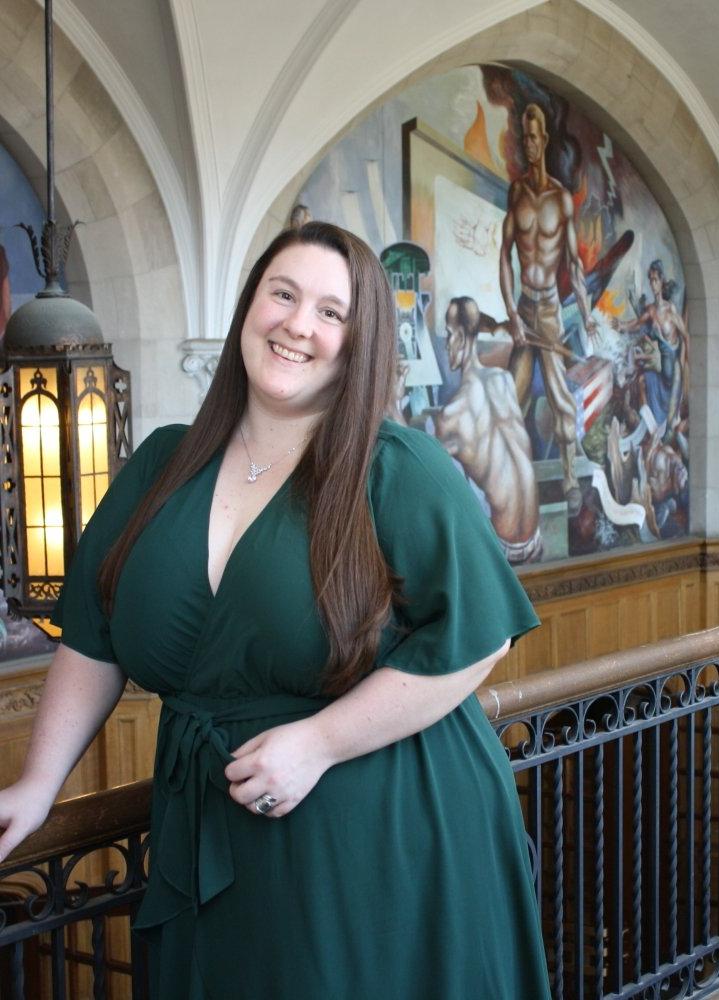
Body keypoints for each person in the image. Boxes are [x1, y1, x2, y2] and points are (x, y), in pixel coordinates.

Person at [0, 222, 552, 999]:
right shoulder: (162, 465)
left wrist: (320, 743)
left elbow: (478, 637)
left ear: (358, 344)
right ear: (248, 309)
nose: (299, 325)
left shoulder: (396, 469)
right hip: (212, 821)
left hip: (382, 827)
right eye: (283, 295)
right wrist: (37, 784)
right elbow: (94, 640)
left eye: (332, 312)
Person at [499, 102, 597, 516]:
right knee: (510, 394)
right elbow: (504, 255)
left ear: (546, 139)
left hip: (552, 311)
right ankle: (509, 482)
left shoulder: (561, 198)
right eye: (526, 138)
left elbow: (574, 262)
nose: (531, 145)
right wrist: (511, 313)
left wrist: (588, 314)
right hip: (525, 307)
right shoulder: (516, 193)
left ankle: (571, 477)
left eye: (537, 137)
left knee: (560, 397)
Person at [432, 296, 542, 564]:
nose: (447, 344)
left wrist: (394, 407)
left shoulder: (452, 417)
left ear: (459, 336)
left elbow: (420, 474)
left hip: (504, 550)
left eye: (448, 335)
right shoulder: (504, 381)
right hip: (536, 539)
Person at [614, 260, 690, 430]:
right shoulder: (650, 310)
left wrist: (688, 363)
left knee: (643, 379)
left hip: (673, 376)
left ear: (662, 281)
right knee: (641, 380)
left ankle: (655, 424)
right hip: (664, 373)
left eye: (655, 279)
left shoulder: (671, 310)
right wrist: (621, 325)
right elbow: (636, 323)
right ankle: (648, 425)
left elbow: (685, 335)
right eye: (650, 280)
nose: (652, 284)